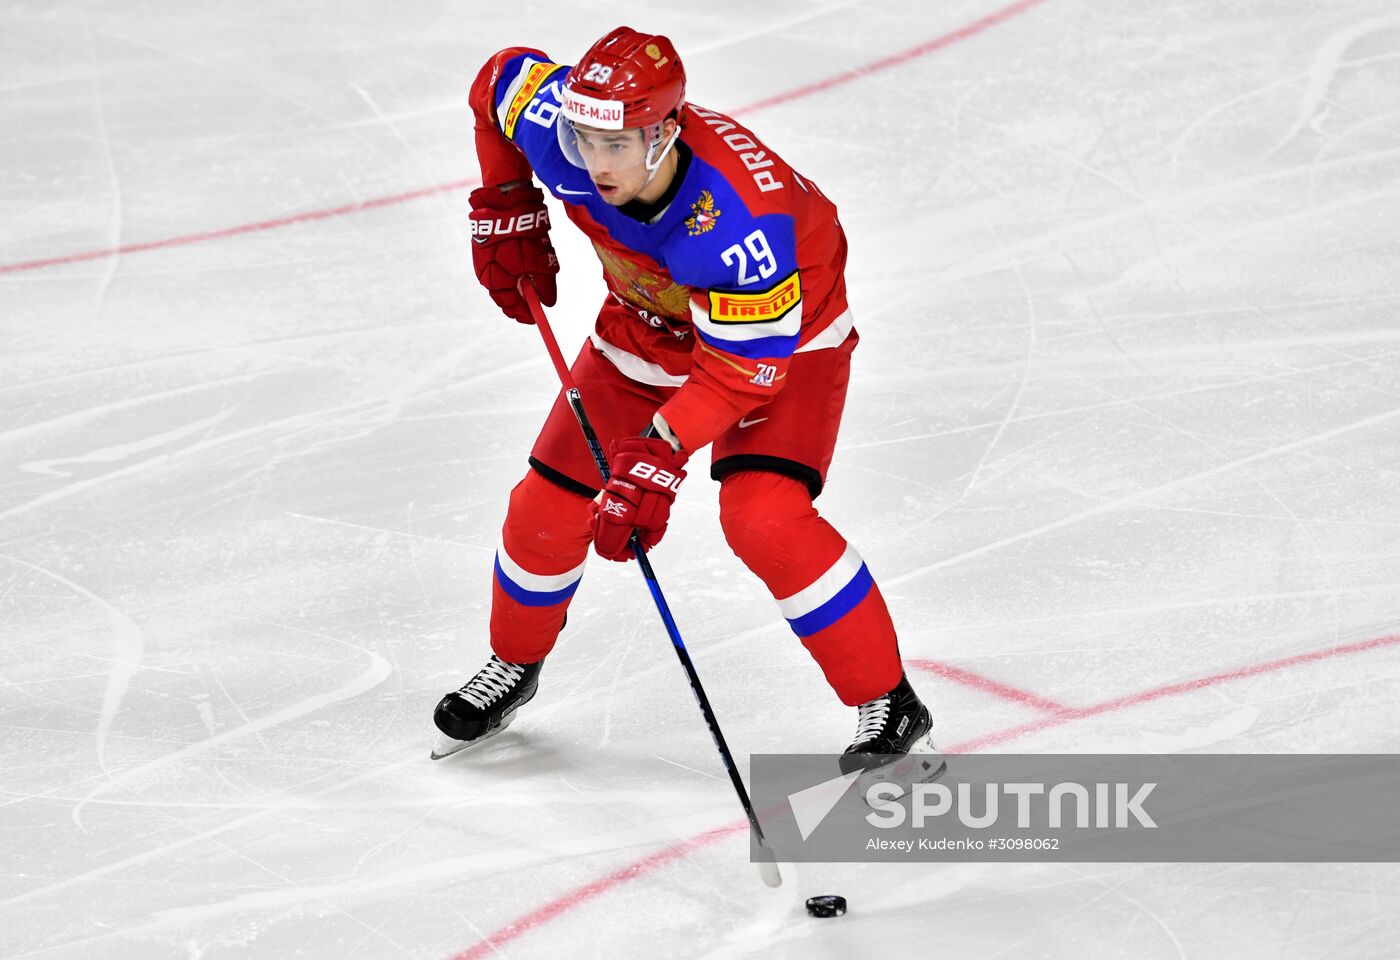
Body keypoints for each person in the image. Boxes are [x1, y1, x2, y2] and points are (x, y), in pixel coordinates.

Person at [432, 26, 938, 775]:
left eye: (617, 145)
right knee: (546, 506)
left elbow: (742, 371)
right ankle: (513, 662)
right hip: (647, 324)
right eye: (583, 141)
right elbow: (496, 81)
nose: (596, 165)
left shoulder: (739, 223)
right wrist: (508, 200)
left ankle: (890, 701)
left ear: (665, 132)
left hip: (785, 338)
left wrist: (660, 453)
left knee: (764, 517)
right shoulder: (561, 126)